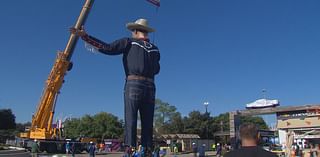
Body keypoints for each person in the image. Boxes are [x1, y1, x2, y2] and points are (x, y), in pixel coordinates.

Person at [71, 18, 160, 157]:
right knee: (148, 121)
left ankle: (130, 149)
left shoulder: (129, 42)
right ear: (146, 32)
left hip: (134, 83)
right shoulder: (155, 49)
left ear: (136, 31)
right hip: (150, 86)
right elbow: (157, 70)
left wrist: (86, 37)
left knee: (130, 119)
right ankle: (147, 150)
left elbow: (108, 48)